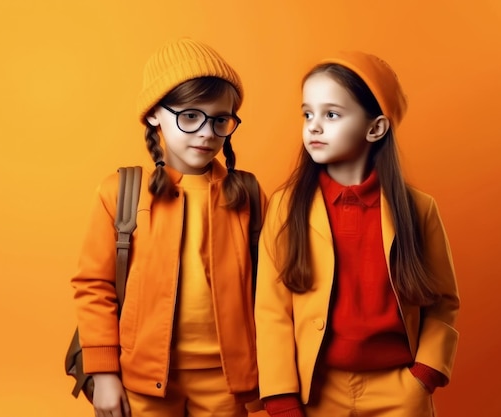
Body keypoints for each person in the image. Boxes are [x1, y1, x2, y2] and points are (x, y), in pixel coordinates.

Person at [254, 51, 460, 417]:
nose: (313, 126)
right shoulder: (286, 207)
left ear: (375, 128)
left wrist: (425, 373)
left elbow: (443, 301)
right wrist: (280, 396)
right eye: (307, 114)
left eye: (331, 114)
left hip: (399, 390)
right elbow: (272, 310)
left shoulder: (419, 209)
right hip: (315, 389)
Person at [71, 38, 267, 417]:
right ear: (153, 115)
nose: (207, 132)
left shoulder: (248, 194)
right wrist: (104, 372)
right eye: (190, 116)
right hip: (143, 380)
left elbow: (273, 290)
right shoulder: (120, 192)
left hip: (229, 382)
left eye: (220, 119)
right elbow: (93, 285)